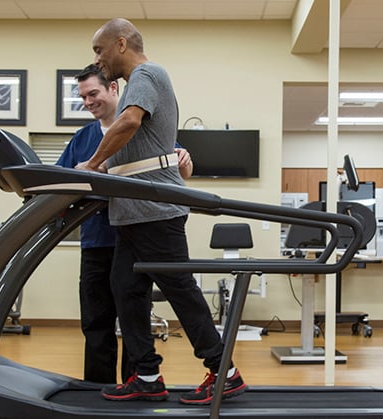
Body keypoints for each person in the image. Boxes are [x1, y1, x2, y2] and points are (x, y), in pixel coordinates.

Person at [76, 18, 246, 404]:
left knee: (181, 292)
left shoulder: (146, 74)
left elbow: (130, 121)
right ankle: (147, 374)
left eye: (100, 51)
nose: (98, 60)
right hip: (133, 215)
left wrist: (93, 164)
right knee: (125, 290)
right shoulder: (141, 78)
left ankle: (226, 371)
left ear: (121, 44)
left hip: (155, 210)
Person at [56, 64, 193, 384]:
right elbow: (62, 182)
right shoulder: (81, 139)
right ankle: (97, 390)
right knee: (96, 322)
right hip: (95, 242)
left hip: (133, 237)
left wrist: (184, 168)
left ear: (114, 89)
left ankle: (137, 384)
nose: (88, 101)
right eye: (83, 97)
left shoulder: (143, 129)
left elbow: (172, 175)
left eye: (94, 93)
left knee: (134, 320)